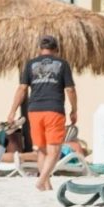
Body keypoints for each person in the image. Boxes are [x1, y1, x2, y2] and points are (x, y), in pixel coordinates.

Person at [6, 35, 77, 192]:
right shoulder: (62, 64)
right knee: (55, 150)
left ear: (40, 49)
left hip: (34, 111)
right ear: (56, 49)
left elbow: (22, 88)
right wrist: (74, 110)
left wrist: (12, 111)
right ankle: (42, 180)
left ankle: (46, 185)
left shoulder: (31, 64)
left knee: (42, 150)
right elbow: (70, 89)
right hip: (54, 110)